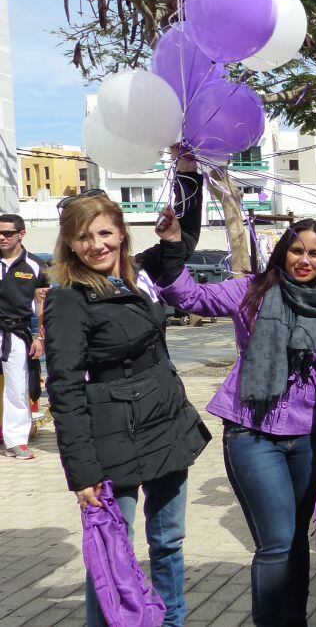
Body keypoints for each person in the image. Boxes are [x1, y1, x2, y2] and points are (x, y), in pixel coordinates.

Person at [155, 178, 316, 627]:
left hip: (305, 436)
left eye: (315, 253)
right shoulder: (253, 290)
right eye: (297, 250)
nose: (304, 260)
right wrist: (170, 246)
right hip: (252, 432)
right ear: (282, 252)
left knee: (297, 538)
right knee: (276, 541)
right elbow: (190, 297)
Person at [43, 192, 211, 627]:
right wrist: (82, 473)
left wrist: (189, 176)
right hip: (112, 440)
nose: (96, 245)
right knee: (113, 553)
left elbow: (180, 241)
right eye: (83, 237)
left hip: (165, 425)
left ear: (121, 233)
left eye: (104, 233)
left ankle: (170, 622)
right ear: (69, 243)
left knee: (169, 542)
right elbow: (64, 389)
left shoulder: (135, 274)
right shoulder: (68, 298)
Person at [0, 214, 49, 460]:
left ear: (21, 234)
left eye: (7, 233)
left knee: (17, 387)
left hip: (16, 332)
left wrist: (39, 338)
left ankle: (16, 441)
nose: (2, 237)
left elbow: (41, 305)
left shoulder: (36, 266)